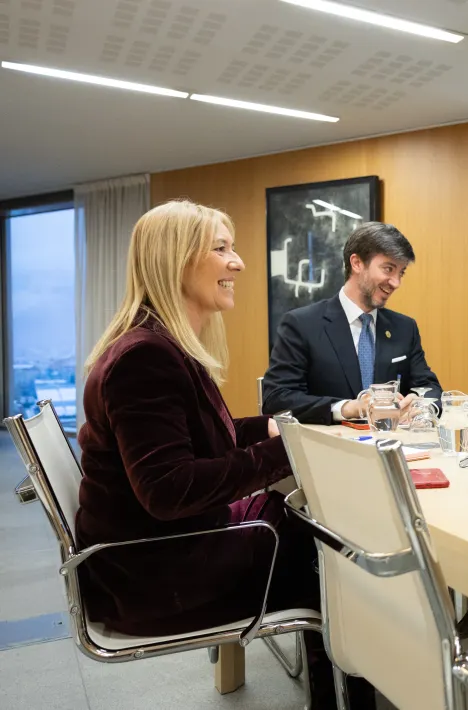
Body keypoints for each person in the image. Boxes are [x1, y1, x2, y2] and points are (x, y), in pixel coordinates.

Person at [76, 200, 374, 708]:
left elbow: (204, 437)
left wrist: (292, 425)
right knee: (333, 555)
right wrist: (289, 452)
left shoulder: (158, 345)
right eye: (222, 249)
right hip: (154, 577)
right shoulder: (145, 358)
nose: (237, 263)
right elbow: (170, 491)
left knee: (315, 530)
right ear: (177, 261)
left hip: (157, 555)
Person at [263, 222, 442, 425]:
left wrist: (422, 406)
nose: (395, 283)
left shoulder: (404, 328)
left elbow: (429, 386)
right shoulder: (301, 324)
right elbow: (276, 398)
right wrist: (348, 408)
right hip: (327, 451)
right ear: (357, 263)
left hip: (392, 449)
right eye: (388, 269)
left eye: (400, 273)